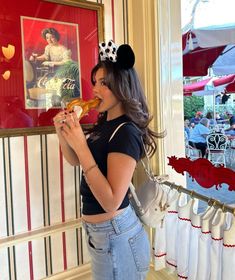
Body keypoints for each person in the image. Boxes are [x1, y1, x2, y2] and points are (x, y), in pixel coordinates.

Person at [53, 41, 162, 279]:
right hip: (101, 233)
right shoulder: (103, 125)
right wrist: (63, 135)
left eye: (104, 83)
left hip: (117, 235)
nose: (95, 90)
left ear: (122, 86)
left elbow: (112, 201)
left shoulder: (126, 131)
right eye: (95, 82)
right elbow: (75, 160)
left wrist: (81, 144)